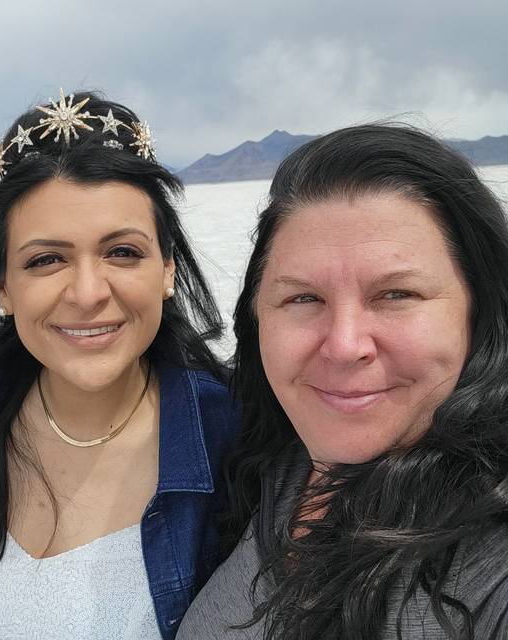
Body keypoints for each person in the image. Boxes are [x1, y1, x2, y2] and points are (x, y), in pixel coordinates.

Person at [0, 90, 237, 640]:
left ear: (167, 271)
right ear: (3, 288)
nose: (87, 293)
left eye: (123, 252)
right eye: (46, 260)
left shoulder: (238, 440)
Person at [178, 124, 508, 639]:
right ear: (257, 318)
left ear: (479, 311)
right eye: (303, 299)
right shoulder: (272, 463)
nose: (344, 344)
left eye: (396, 294)